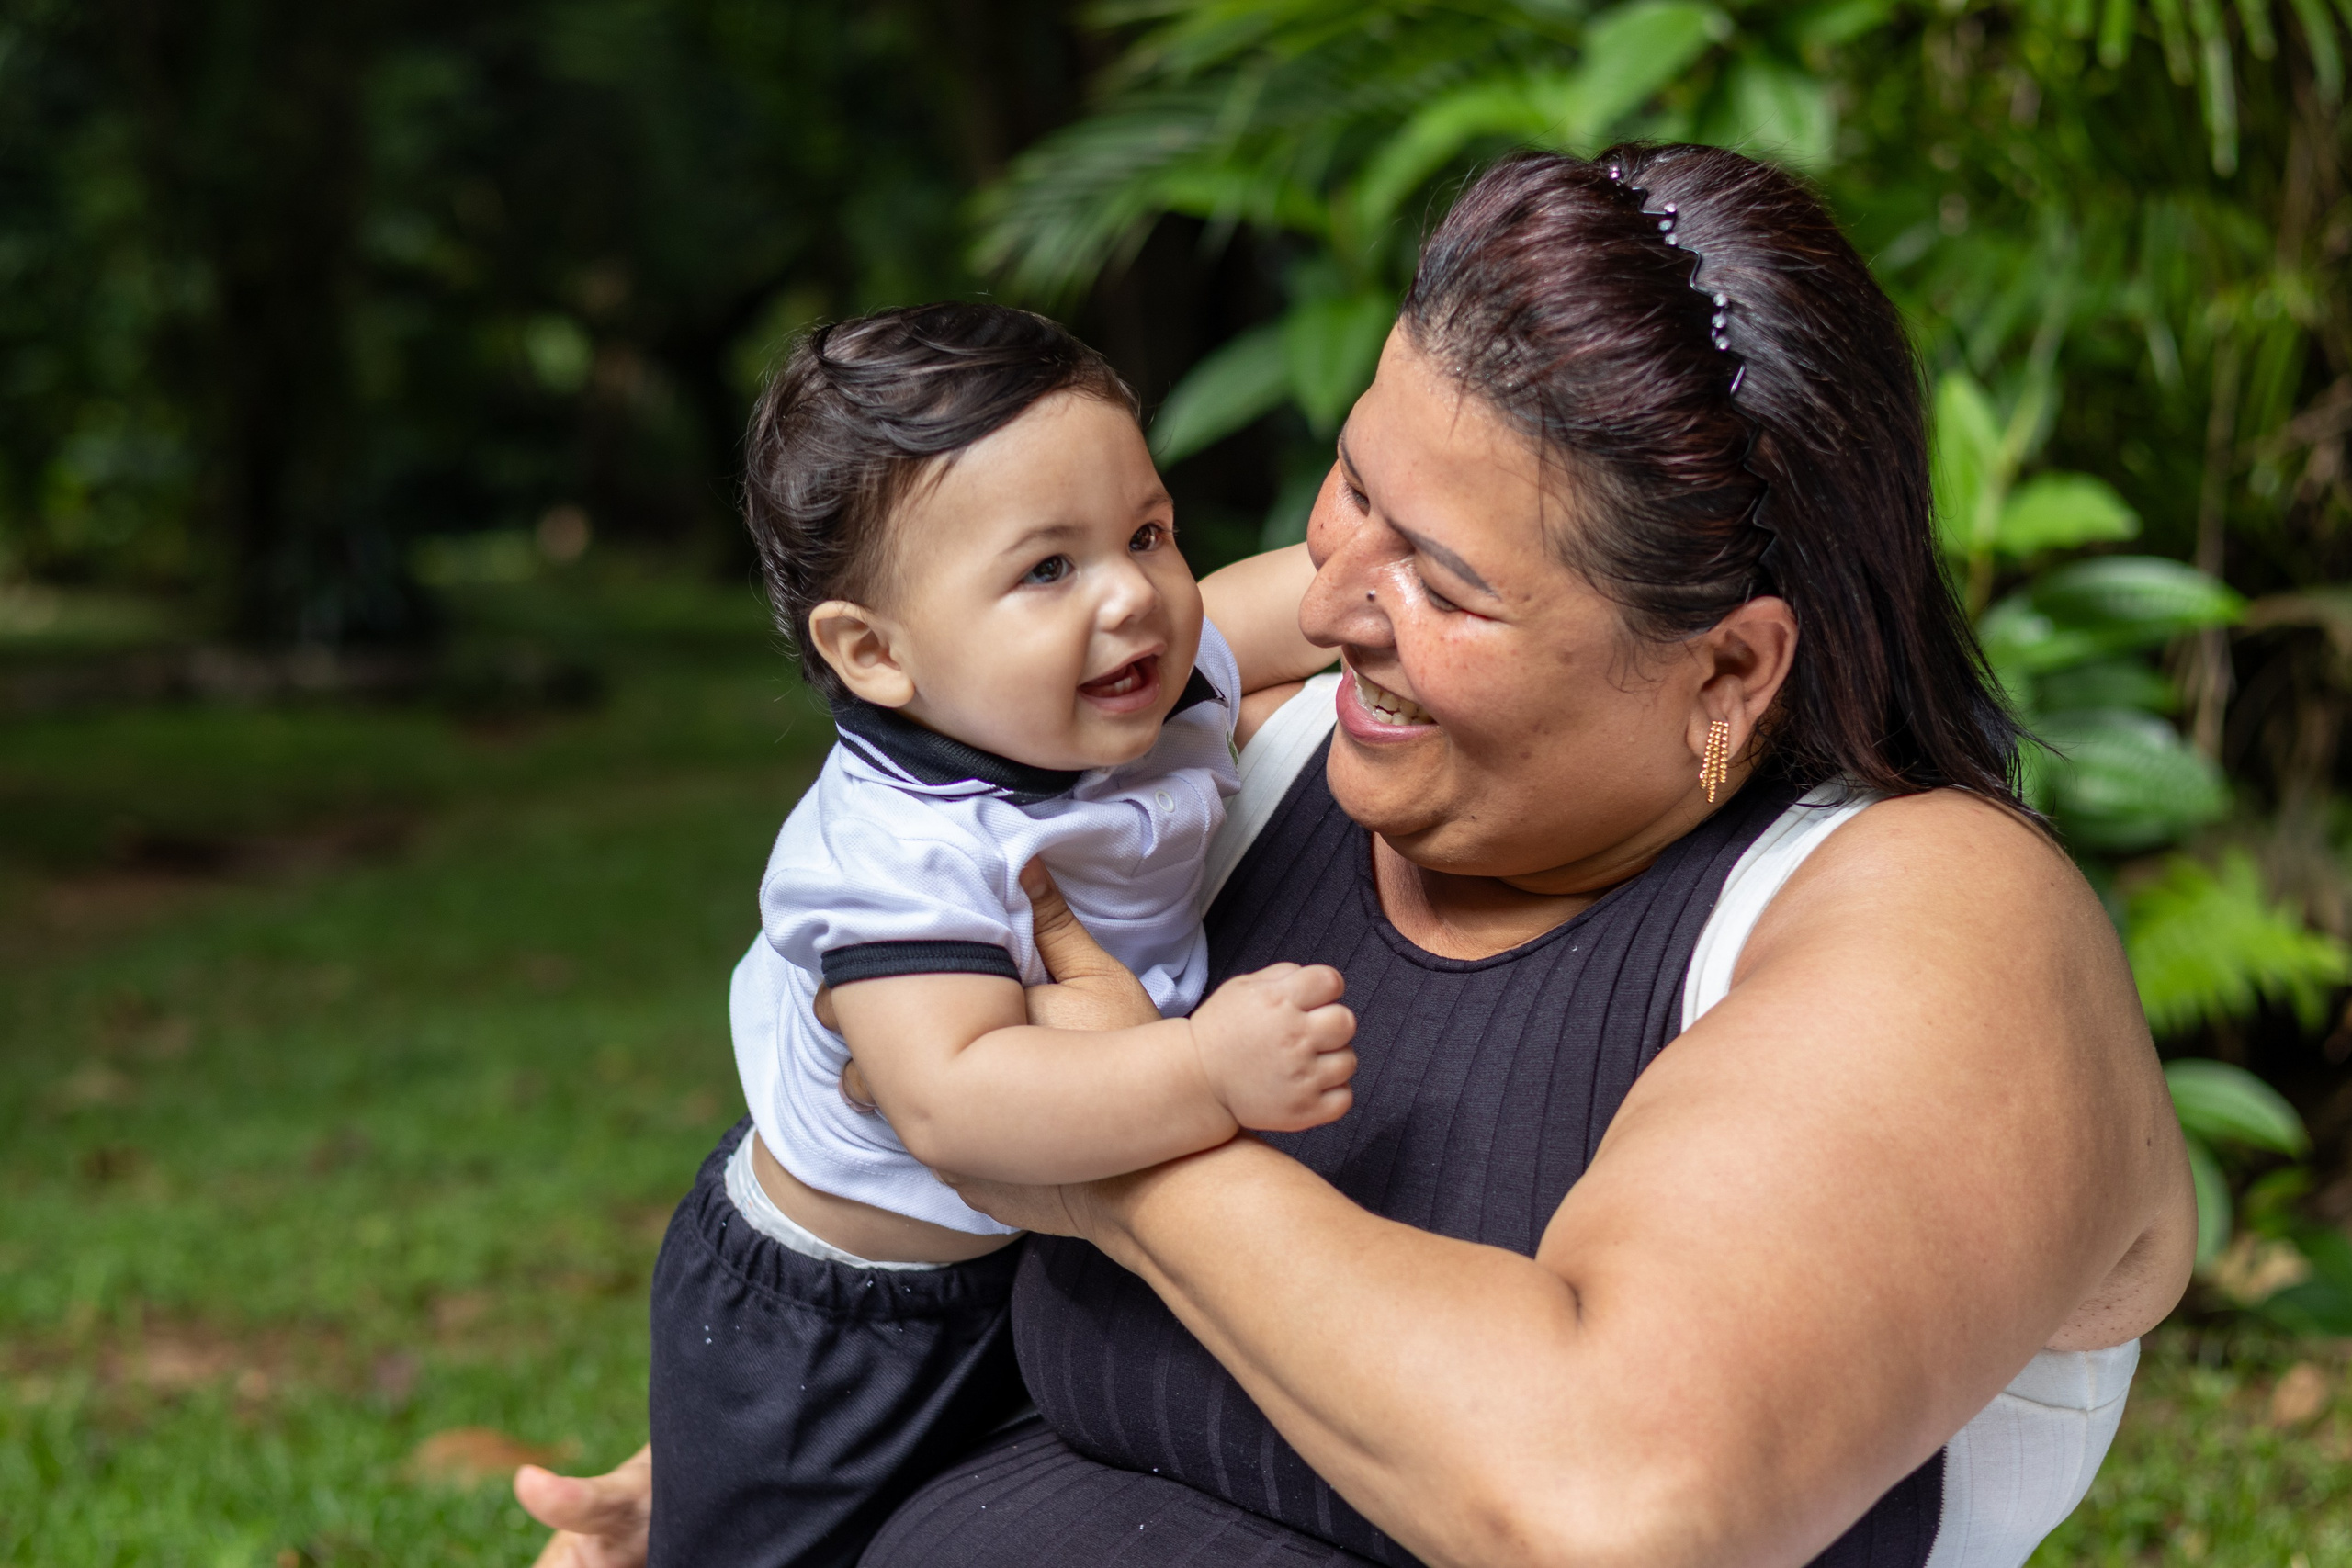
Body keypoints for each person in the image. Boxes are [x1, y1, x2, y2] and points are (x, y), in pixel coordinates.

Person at [520, 143, 2196, 1568]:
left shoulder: (1935, 922)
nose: (1319, 605)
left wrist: (1126, 1136)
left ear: (1731, 672)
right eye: (1350, 486)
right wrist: (746, 1481)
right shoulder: (1236, 777)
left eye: (1446, 587)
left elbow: (1619, 1507)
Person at [644, 302, 1352, 1567]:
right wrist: (1201, 1073)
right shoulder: (896, 853)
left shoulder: (1140, 682)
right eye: (1048, 570)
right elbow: (957, 1101)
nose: (1133, 595)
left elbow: (1306, 596)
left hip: (1016, 1266)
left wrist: (1433, 563)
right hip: (837, 1328)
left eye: (1148, 532)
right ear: (876, 652)